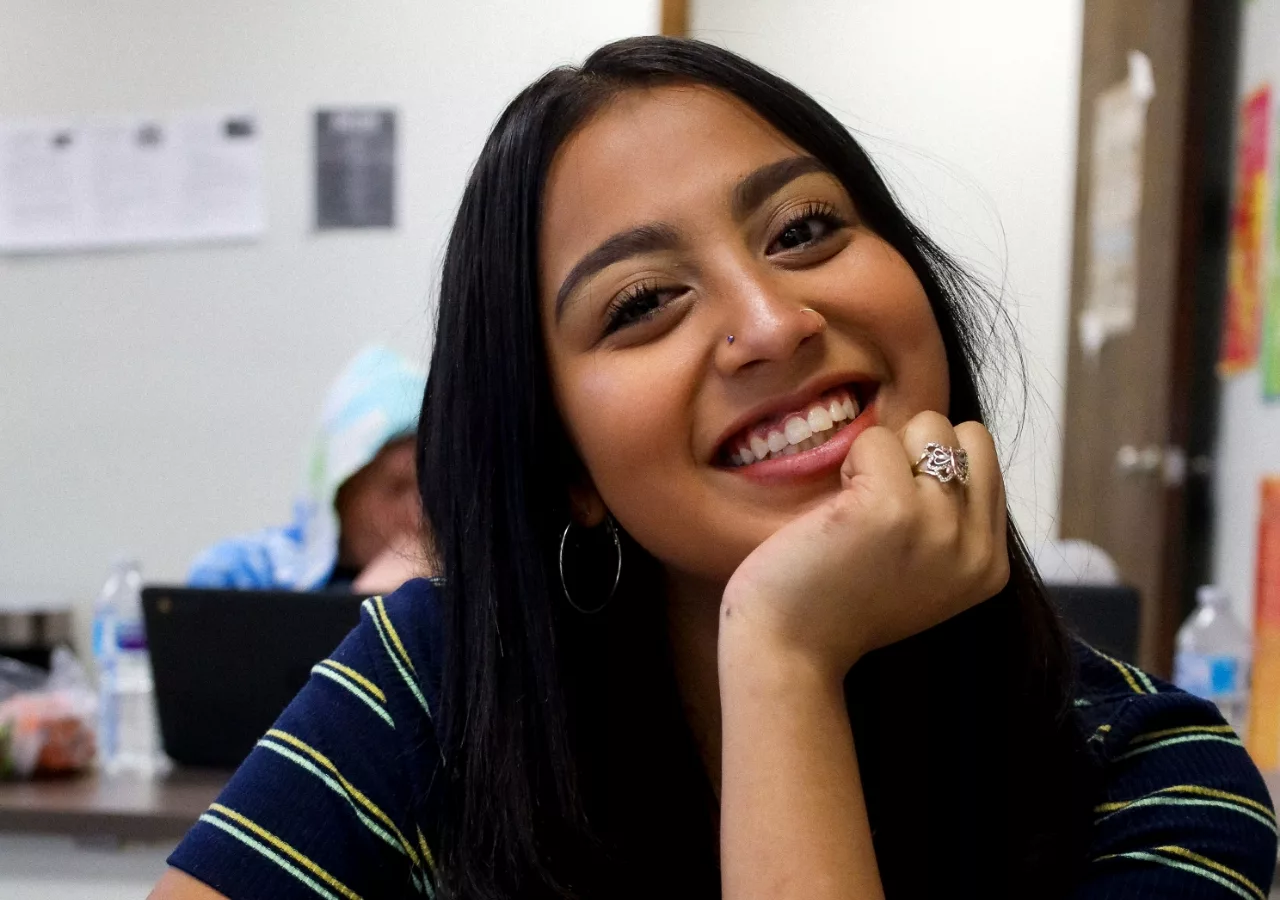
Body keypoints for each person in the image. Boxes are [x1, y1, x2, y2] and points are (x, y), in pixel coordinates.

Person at [152, 37, 1276, 900]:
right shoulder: (436, 681)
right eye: (642, 303)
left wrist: (782, 661)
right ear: (567, 468)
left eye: (802, 230)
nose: (771, 322)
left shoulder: (1154, 776)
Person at [187, 346, 429, 594]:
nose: (419, 514)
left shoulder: (451, 587)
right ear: (341, 494)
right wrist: (369, 607)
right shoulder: (242, 575)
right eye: (397, 488)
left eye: (432, 490)